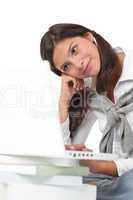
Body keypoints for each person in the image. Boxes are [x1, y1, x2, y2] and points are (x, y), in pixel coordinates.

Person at [40, 23, 133, 199]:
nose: (78, 65)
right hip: (111, 179)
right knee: (54, 181)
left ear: (89, 37)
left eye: (74, 50)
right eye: (66, 67)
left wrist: (98, 165)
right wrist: (63, 101)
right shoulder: (91, 90)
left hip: (125, 178)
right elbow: (68, 151)